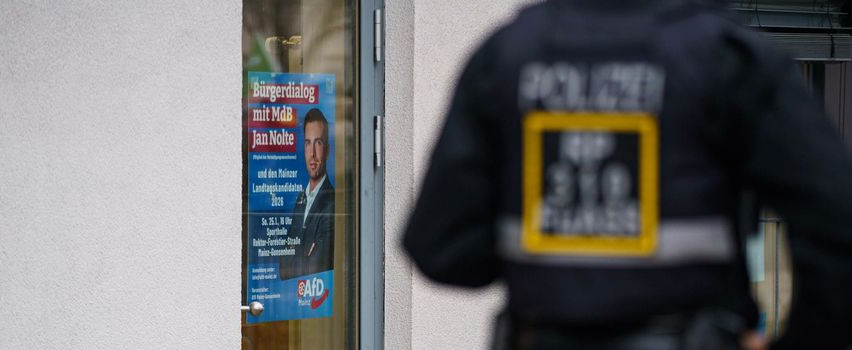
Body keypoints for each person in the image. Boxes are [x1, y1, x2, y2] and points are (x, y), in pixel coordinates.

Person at [401, 0, 852, 349]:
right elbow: (836, 223)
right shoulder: (727, 58)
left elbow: (440, 248)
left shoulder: (506, 55)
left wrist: (554, 264)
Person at [281, 108, 335, 280]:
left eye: (318, 143)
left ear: (327, 150)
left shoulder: (331, 203)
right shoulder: (301, 200)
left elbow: (316, 268)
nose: (312, 154)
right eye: (307, 143)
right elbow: (283, 266)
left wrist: (295, 258)